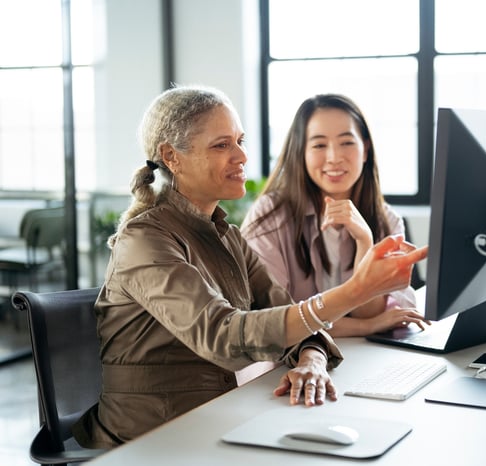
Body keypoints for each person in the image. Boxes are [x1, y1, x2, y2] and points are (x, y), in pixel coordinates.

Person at [73, 84, 427, 449]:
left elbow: (287, 316)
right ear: (172, 157)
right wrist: (355, 291)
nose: (242, 155)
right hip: (151, 439)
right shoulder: (144, 240)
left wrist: (312, 360)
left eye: (240, 141)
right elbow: (223, 337)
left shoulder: (228, 237)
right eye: (222, 145)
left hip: (221, 418)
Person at [241, 94, 427, 337]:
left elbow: (374, 311)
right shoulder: (269, 216)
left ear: (365, 149)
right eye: (319, 145)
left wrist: (365, 242)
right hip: (294, 361)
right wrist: (366, 327)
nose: (334, 157)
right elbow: (274, 320)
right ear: (301, 153)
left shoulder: (386, 219)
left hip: (364, 356)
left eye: (347, 142)